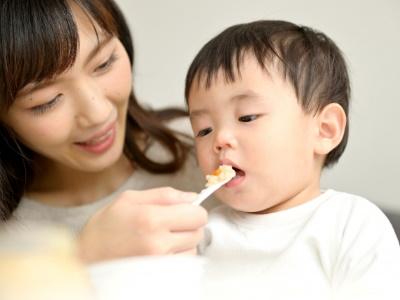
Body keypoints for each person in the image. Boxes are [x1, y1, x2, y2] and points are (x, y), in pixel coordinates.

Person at [184, 20, 400, 297]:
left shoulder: (351, 224)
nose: (220, 139)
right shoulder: (203, 235)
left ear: (324, 130)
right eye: (203, 130)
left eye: (247, 117)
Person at [0, 0, 207, 263]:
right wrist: (81, 258)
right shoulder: (10, 243)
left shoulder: (208, 148)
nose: (98, 114)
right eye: (47, 101)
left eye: (104, 63)